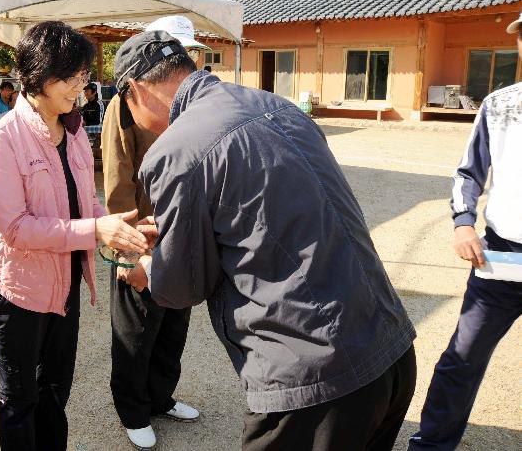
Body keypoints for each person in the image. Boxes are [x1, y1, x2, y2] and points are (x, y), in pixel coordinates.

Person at [115, 30, 417, 451]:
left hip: (314, 377)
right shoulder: (277, 105)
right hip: (389, 347)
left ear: (135, 91)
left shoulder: (176, 150)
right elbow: (269, 217)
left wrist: (149, 270)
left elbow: (185, 285)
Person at [0, 21, 148, 451]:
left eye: (84, 77)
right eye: (72, 77)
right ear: (39, 75)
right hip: (16, 289)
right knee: (19, 397)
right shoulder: (3, 140)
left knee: (55, 389)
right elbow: (15, 228)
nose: (81, 87)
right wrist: (95, 229)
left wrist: (116, 229)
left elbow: (82, 202)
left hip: (65, 283)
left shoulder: (70, 130)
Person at [408, 14, 522, 451]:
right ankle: (431, 446)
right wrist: (463, 224)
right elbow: (468, 173)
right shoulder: (500, 104)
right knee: (462, 358)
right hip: (500, 260)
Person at [102, 16, 209, 450]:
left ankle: (160, 397)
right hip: (141, 234)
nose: (189, 62)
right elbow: (117, 181)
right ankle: (132, 409)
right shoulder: (123, 106)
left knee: (172, 323)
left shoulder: (196, 105)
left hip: (179, 234)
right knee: (136, 328)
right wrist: (125, 252)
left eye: (191, 53)